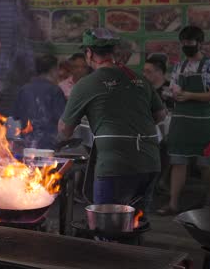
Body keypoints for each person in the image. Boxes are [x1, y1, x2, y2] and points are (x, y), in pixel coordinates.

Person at [58, 28, 167, 211]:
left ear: (89, 53)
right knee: (136, 220)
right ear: (113, 52)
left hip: (114, 165)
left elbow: (65, 130)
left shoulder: (86, 84)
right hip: (150, 161)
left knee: (107, 224)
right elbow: (160, 115)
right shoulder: (139, 78)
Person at [158, 26, 210, 215]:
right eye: (184, 43)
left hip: (203, 121)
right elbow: (174, 89)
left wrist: (189, 95)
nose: (186, 46)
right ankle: (173, 204)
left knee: (205, 163)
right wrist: (170, 94)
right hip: (181, 120)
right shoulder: (180, 66)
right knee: (178, 161)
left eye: (190, 43)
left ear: (200, 43)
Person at [12, 54, 66, 149]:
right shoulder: (55, 91)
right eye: (57, 69)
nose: (59, 73)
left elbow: (15, 117)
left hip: (27, 144)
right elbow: (64, 120)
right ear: (52, 70)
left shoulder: (24, 89)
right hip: (49, 145)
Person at [143, 54, 174, 194]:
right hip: (147, 127)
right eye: (144, 71)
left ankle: (162, 180)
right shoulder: (143, 89)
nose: (144, 74)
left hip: (169, 128)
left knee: (167, 146)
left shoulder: (171, 89)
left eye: (148, 71)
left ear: (160, 72)